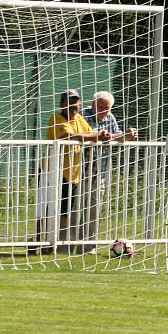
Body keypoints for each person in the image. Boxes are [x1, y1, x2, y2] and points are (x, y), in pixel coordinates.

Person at [37, 89, 109, 254]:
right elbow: (70, 137)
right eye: (70, 102)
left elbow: (92, 133)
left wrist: (107, 135)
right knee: (45, 210)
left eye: (76, 102)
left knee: (66, 212)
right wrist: (96, 136)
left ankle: (58, 246)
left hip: (72, 175)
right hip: (52, 172)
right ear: (62, 104)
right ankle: (38, 242)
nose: (73, 105)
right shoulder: (56, 119)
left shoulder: (79, 119)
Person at [80, 91, 137, 243]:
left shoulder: (110, 117)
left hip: (99, 173)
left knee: (94, 211)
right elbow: (81, 135)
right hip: (79, 171)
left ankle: (89, 246)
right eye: (100, 106)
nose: (103, 111)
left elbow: (117, 135)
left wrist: (127, 135)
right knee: (75, 210)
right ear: (93, 104)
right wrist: (100, 135)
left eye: (106, 108)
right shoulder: (82, 114)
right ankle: (67, 244)